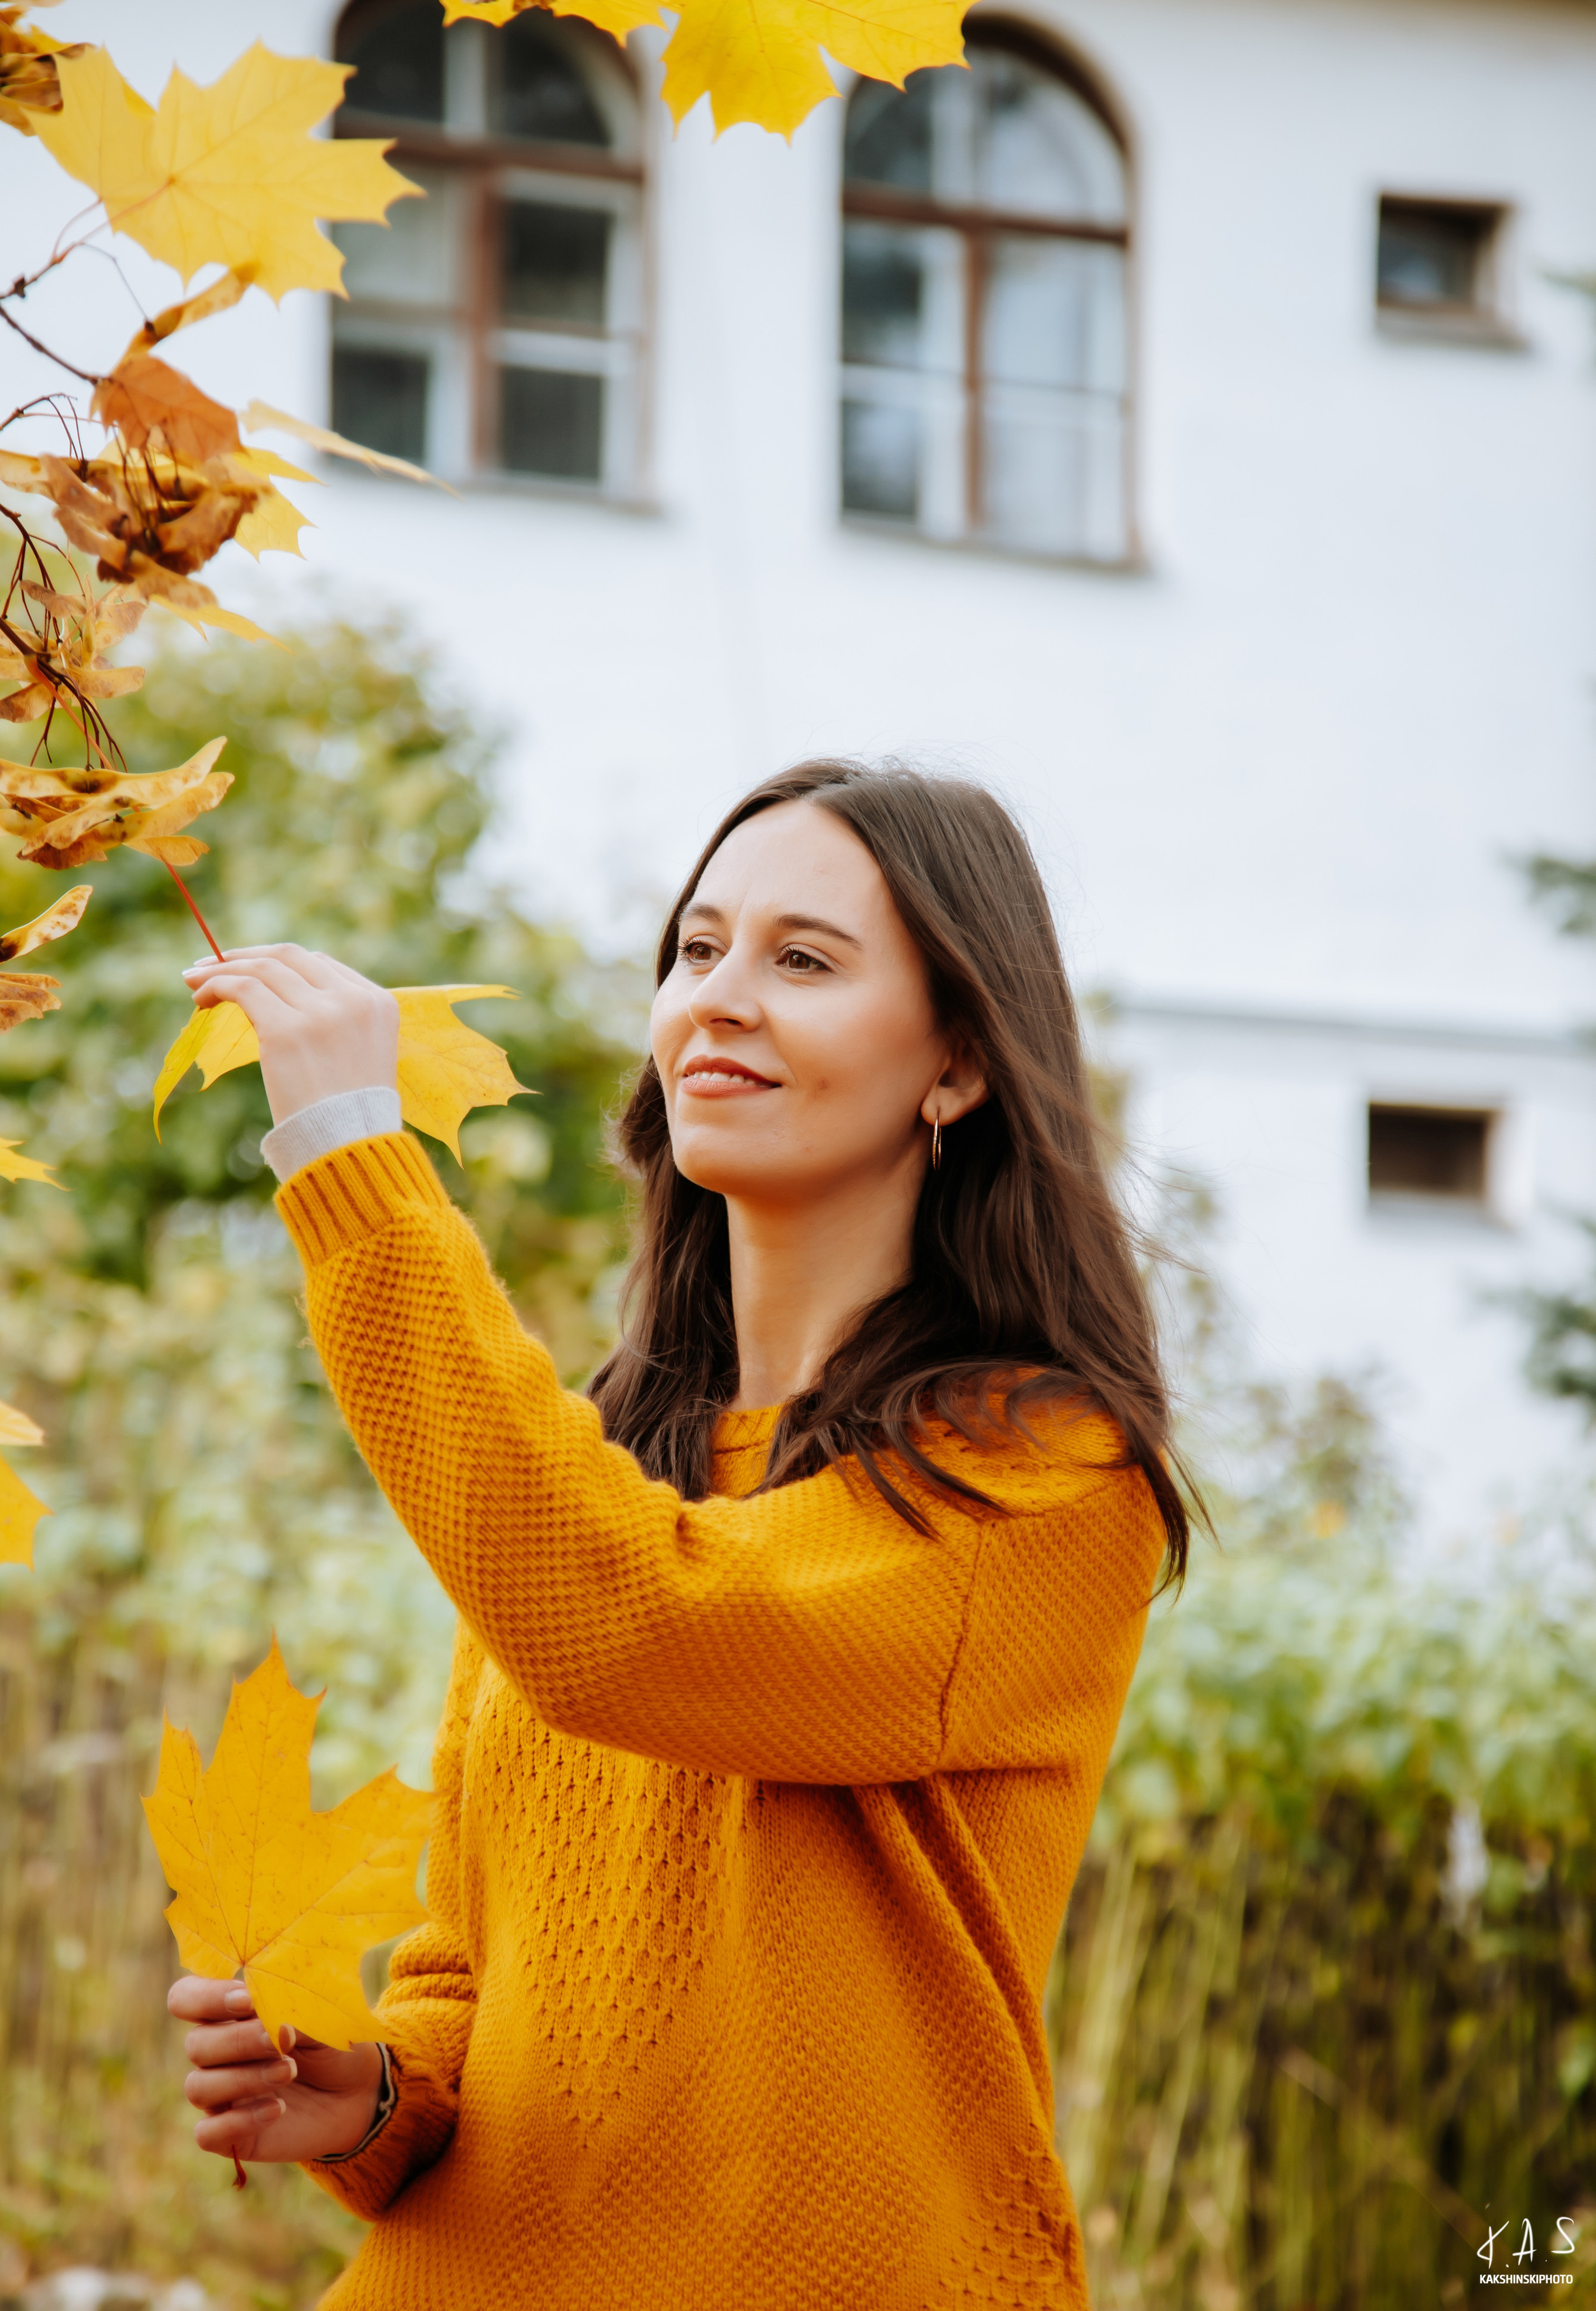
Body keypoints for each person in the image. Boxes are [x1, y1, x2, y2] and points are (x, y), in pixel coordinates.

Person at [167, 758, 1203, 2310]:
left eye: (802, 960)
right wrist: (373, 2097)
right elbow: (469, 1973)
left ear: (960, 1065)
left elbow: (645, 1630)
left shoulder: (1039, 1480)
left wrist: (350, 1161)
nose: (716, 998)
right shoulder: (588, 1469)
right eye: (695, 948)